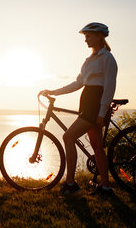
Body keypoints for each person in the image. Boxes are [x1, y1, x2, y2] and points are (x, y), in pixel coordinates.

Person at [40, 22, 118, 197]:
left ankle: (70, 184)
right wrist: (55, 92)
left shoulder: (108, 59)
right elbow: (78, 83)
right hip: (87, 103)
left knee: (68, 136)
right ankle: (106, 188)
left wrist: (101, 112)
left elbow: (109, 88)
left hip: (96, 104)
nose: (85, 40)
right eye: (85, 36)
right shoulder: (89, 60)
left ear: (99, 36)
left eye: (88, 36)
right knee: (97, 146)